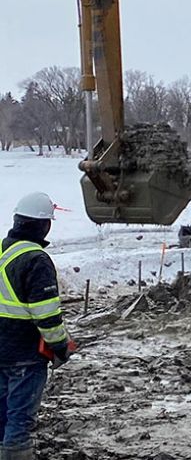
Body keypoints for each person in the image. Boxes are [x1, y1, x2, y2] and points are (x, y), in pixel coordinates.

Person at [0, 193, 72, 460]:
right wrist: (61, 347)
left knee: (2, 412)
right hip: (24, 353)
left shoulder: (2, 249)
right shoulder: (36, 259)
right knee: (20, 417)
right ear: (44, 225)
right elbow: (47, 315)